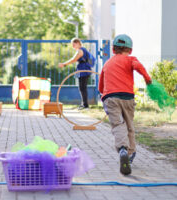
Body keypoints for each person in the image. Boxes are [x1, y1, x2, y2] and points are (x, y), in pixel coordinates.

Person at [98, 34, 152, 175]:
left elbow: (100, 86)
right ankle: (130, 153)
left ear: (113, 49)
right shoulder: (130, 59)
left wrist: (102, 93)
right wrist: (147, 79)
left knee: (118, 125)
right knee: (129, 125)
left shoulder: (107, 63)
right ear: (130, 50)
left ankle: (122, 148)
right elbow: (138, 66)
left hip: (110, 97)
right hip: (127, 97)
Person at [58, 38, 93, 109]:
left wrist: (64, 64)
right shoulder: (81, 50)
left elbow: (73, 59)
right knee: (82, 87)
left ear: (77, 43)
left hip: (84, 70)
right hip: (82, 69)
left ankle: (85, 105)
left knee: (82, 87)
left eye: (73, 44)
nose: (73, 46)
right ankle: (84, 104)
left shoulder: (80, 50)